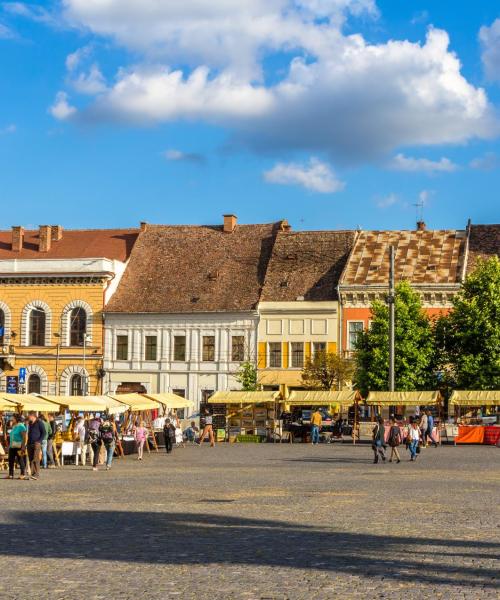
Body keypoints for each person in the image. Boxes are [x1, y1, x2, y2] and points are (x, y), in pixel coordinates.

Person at [5, 414, 28, 480]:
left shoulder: (21, 426)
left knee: (20, 460)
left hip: (19, 446)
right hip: (12, 446)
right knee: (11, 460)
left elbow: (24, 437)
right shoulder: (14, 426)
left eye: (13, 418)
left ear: (17, 419)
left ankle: (22, 474)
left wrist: (23, 446)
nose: (12, 419)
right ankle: (11, 474)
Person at [27, 412, 45, 480]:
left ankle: (36, 474)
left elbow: (44, 433)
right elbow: (29, 433)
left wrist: (39, 441)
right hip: (30, 443)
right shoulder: (30, 423)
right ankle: (32, 474)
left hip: (36, 444)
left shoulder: (39, 423)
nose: (28, 417)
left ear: (33, 416)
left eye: (29, 416)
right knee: (31, 459)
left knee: (36, 458)